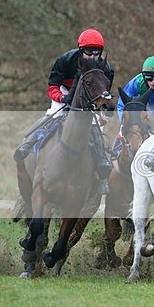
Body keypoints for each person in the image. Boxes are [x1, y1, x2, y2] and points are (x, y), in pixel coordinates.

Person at [13, 28, 115, 192]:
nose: (93, 57)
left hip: (88, 96)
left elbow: (103, 92)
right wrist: (62, 98)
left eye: (97, 52)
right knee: (54, 116)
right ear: (81, 50)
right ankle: (29, 143)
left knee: (96, 127)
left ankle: (101, 167)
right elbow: (52, 87)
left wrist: (103, 111)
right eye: (89, 52)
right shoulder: (65, 60)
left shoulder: (106, 68)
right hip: (65, 92)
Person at [113, 56, 154, 156]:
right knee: (124, 127)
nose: (153, 82)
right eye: (149, 79)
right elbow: (122, 104)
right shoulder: (136, 82)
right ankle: (115, 152)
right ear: (143, 77)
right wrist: (124, 120)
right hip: (144, 106)